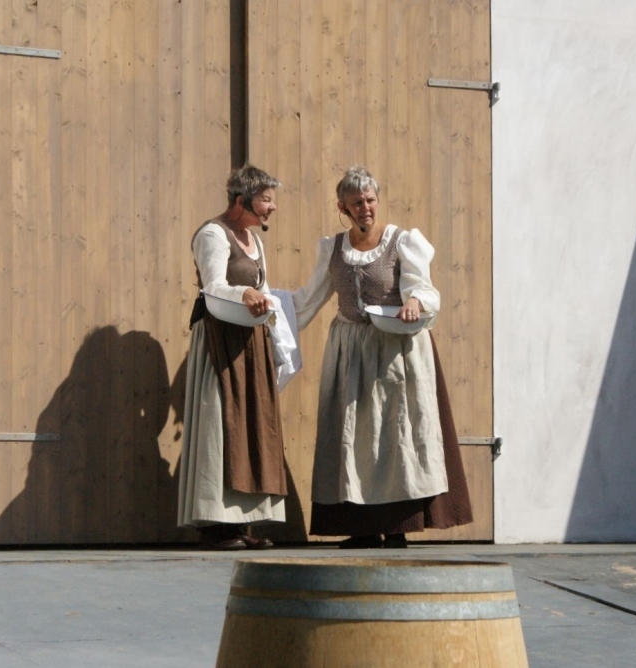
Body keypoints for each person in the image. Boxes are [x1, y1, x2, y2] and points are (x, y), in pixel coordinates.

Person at [293, 166, 473, 548]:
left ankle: (396, 528)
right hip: (350, 351)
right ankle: (362, 529)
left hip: (395, 350)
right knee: (353, 436)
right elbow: (308, 299)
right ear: (343, 207)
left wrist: (414, 301)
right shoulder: (333, 249)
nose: (365, 208)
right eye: (356, 202)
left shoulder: (402, 242)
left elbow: (422, 288)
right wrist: (271, 312)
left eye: (370, 200)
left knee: (396, 433)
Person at [177, 164, 287, 550]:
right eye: (266, 200)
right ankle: (215, 526)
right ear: (242, 200)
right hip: (219, 338)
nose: (272, 207)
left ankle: (244, 522)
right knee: (220, 423)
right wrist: (244, 294)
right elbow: (213, 286)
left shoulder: (254, 240)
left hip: (250, 338)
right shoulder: (213, 234)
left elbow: (263, 288)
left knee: (252, 424)